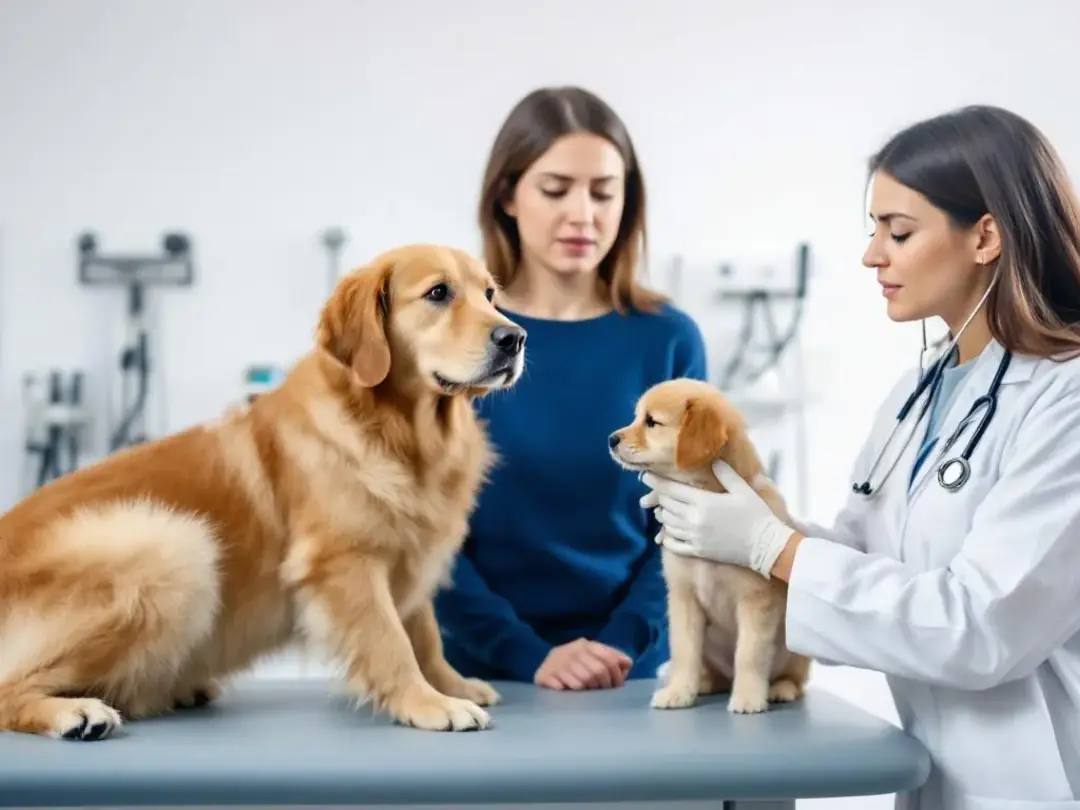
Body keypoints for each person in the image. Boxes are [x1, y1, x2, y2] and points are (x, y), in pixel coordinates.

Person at [641, 104, 1080, 809]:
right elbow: (862, 554)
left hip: (1039, 781)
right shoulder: (919, 392)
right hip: (933, 776)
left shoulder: (1066, 401)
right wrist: (743, 531)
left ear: (986, 236)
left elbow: (983, 626)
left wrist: (773, 548)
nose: (872, 255)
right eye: (873, 230)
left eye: (898, 232)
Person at [433, 86, 708, 691]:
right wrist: (529, 655)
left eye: (604, 192)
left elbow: (690, 523)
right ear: (506, 195)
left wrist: (620, 645)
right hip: (475, 684)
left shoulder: (668, 340)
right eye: (556, 190)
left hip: (630, 676)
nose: (583, 214)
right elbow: (423, 533)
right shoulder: (446, 337)